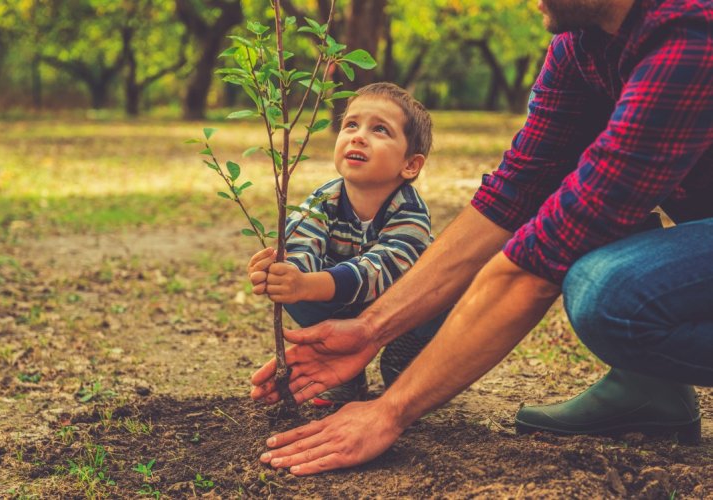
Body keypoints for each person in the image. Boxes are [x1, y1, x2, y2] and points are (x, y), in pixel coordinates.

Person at [249, 0, 713, 476]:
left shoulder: (691, 33)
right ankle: (650, 388)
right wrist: (369, 330)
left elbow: (537, 265)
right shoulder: (579, 45)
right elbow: (513, 194)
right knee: (579, 187)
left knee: (608, 292)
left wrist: (390, 410)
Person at [247, 82, 448, 406]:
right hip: (345, 301)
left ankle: (410, 357)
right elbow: (302, 241)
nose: (358, 136)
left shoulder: (410, 211)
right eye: (351, 125)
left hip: (404, 307)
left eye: (380, 129)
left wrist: (311, 283)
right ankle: (347, 374)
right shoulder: (324, 199)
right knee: (297, 292)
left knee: (442, 299)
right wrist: (285, 274)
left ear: (410, 164)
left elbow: (383, 270)